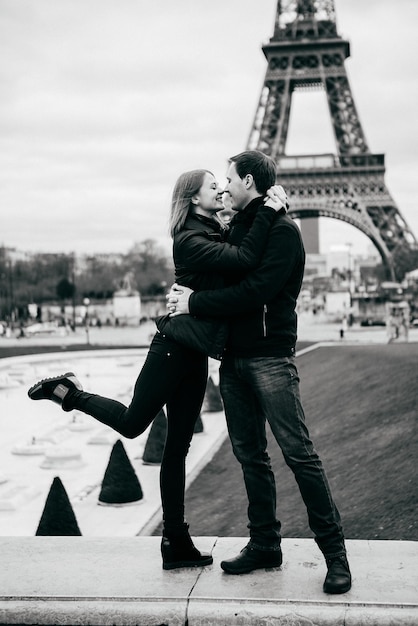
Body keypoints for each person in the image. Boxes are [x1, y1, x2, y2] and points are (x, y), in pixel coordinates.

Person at [28, 168, 287, 570]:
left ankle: (175, 541)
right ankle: (68, 392)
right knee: (134, 423)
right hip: (171, 348)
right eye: (212, 186)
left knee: (178, 449)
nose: (220, 190)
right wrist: (270, 209)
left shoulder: (213, 229)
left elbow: (241, 253)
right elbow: (245, 258)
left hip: (195, 351)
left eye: (223, 184)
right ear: (192, 198)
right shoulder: (188, 240)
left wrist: (253, 211)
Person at [167, 150, 352, 594]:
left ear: (248, 181)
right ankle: (266, 543)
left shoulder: (283, 232)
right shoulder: (243, 227)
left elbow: (255, 291)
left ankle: (336, 554)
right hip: (233, 359)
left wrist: (194, 303)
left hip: (270, 357)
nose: (225, 186)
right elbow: (225, 266)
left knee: (299, 455)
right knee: (250, 457)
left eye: (229, 179)